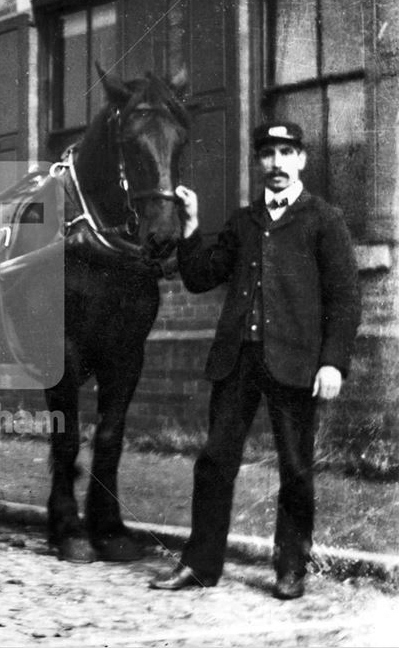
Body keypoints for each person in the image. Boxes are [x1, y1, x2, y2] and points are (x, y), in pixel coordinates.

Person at [148, 121, 360, 599]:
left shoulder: (324, 219)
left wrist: (332, 363)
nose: (277, 163)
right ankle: (201, 564)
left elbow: (345, 299)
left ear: (302, 159)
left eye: (287, 153)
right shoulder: (244, 222)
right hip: (237, 361)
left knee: (296, 467)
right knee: (215, 462)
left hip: (296, 363)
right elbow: (202, 277)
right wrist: (191, 226)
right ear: (258, 162)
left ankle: (291, 566)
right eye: (268, 153)